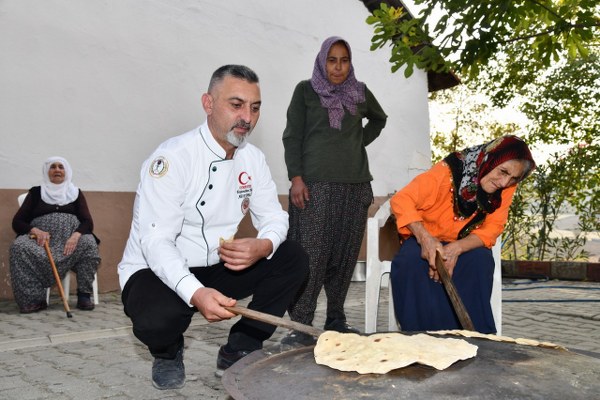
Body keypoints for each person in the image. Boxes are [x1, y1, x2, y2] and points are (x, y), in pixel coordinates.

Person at [118, 65, 309, 390]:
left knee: (292, 258)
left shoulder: (253, 159)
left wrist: (264, 245)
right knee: (157, 319)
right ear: (208, 103)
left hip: (218, 263)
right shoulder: (172, 158)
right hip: (156, 268)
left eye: (255, 107)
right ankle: (167, 352)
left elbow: (275, 218)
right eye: (236, 105)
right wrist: (196, 293)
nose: (247, 117)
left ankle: (241, 347)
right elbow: (156, 241)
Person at [281, 36, 388, 347]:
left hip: (355, 186)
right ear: (322, 61)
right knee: (311, 255)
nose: (338, 66)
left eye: (344, 60)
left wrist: (356, 143)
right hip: (314, 186)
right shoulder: (305, 91)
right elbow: (292, 136)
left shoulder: (359, 92)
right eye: (332, 60)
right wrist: (296, 178)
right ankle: (301, 326)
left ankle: (337, 320)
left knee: (343, 256)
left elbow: (379, 120)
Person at [390, 135, 536, 333]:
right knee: (410, 261)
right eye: (503, 172)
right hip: (425, 235)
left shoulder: (506, 186)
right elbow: (402, 200)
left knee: (480, 261)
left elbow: (493, 227)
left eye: (513, 178)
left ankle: (475, 339)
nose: (504, 182)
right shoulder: (447, 171)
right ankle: (418, 337)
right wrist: (426, 239)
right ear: (490, 159)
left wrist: (455, 249)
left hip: (463, 241)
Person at [10, 156, 101, 313]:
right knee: (18, 247)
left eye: (61, 167)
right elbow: (18, 222)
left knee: (89, 243)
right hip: (41, 242)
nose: (57, 170)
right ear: (47, 171)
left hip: (70, 242)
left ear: (66, 171)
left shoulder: (75, 193)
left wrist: (76, 235)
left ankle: (84, 295)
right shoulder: (36, 193)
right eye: (53, 167)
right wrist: (35, 230)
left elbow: (87, 222)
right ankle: (33, 299)